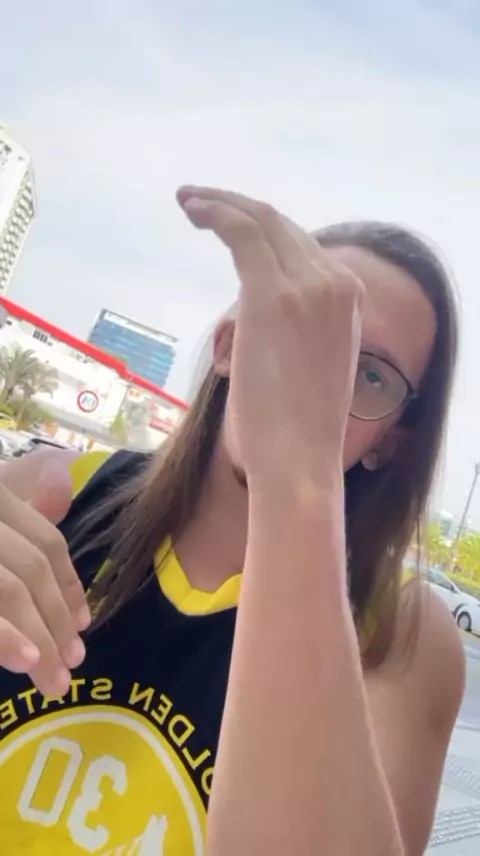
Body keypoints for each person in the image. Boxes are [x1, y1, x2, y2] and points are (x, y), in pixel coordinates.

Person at [0, 187, 464, 856]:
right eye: (297, 330)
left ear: (390, 441)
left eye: (368, 374)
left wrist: (297, 481)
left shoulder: (402, 634)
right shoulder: (50, 495)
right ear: (228, 344)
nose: (314, 383)